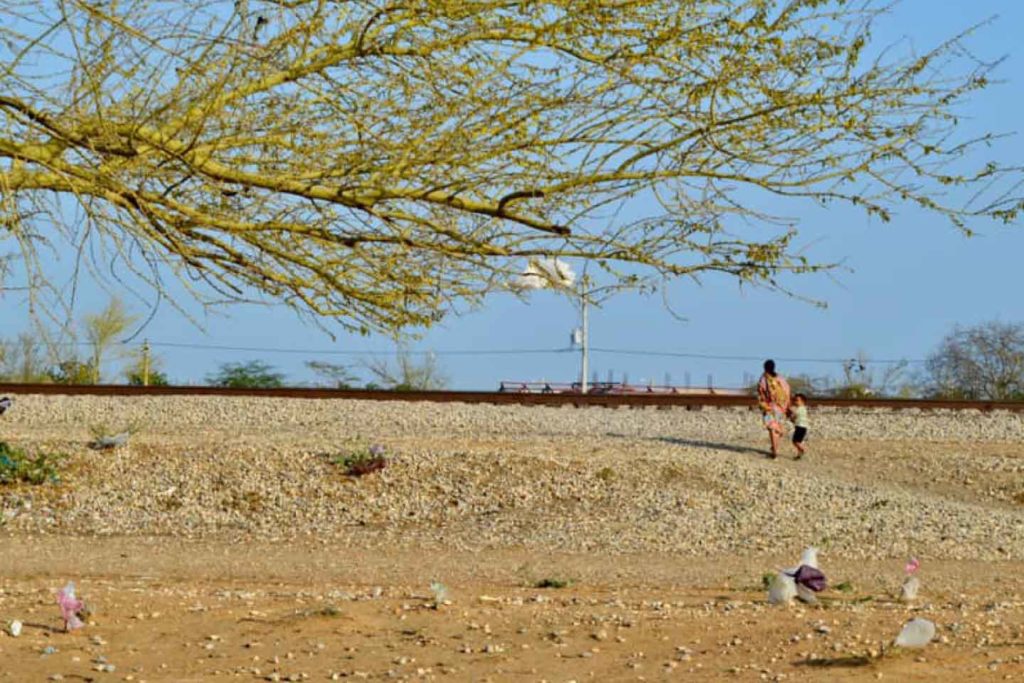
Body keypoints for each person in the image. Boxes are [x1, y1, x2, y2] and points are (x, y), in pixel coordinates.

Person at [757, 359, 790, 458]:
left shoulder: (763, 379)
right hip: (779, 407)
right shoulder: (780, 378)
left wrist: (762, 405)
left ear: (764, 367)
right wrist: (787, 406)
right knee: (776, 426)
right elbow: (787, 391)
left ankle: (774, 450)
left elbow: (761, 393)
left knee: (771, 427)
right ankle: (775, 446)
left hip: (768, 407)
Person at [789, 393, 809, 459]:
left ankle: (803, 449)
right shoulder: (803, 408)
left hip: (800, 427)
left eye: (797, 400)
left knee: (795, 441)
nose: (795, 402)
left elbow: (794, 415)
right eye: (795, 400)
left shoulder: (799, 409)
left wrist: (790, 413)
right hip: (802, 427)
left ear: (802, 401)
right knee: (798, 441)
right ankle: (799, 454)